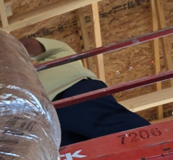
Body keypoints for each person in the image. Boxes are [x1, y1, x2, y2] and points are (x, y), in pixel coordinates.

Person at [19, 36, 150, 147]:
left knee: (121, 130)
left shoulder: (64, 52)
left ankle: (153, 144)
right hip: (42, 116)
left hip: (72, 92)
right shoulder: (15, 81)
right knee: (76, 154)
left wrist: (9, 58)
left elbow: (24, 45)